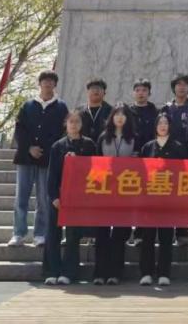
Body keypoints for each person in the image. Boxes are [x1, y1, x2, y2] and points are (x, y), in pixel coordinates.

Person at [9, 70, 68, 248]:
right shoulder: (28, 105)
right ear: (39, 84)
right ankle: (18, 233)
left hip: (48, 159)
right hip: (26, 158)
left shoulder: (61, 107)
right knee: (21, 197)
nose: (47, 84)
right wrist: (29, 147)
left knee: (44, 199)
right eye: (44, 81)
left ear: (55, 85)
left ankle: (40, 234)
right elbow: (20, 129)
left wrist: (48, 150)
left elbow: (62, 133)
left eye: (51, 81)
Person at [45, 111, 97, 285]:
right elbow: (52, 174)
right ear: (65, 124)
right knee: (53, 233)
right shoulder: (58, 146)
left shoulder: (89, 145)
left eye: (77, 122)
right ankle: (52, 271)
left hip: (78, 197)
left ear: (82, 125)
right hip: (59, 196)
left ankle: (69, 272)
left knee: (73, 235)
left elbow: (93, 170)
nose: (74, 125)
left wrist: (78, 161)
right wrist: (54, 196)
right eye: (71, 122)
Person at [138, 113, 186, 286]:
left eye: (166, 123)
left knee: (166, 237)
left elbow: (182, 172)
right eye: (160, 123)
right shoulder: (148, 147)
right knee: (148, 237)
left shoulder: (177, 147)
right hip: (150, 199)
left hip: (168, 199)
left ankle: (164, 273)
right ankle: (146, 272)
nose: (163, 126)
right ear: (155, 126)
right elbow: (140, 172)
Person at [93, 105, 137, 285]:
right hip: (104, 190)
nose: (120, 117)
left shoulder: (133, 138)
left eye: (123, 115)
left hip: (125, 191)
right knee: (102, 233)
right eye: (116, 114)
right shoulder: (103, 138)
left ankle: (115, 272)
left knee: (119, 234)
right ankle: (99, 272)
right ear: (111, 117)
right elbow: (95, 163)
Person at [164, 73, 188, 246]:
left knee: (184, 196)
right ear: (174, 88)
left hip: (187, 158)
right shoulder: (166, 109)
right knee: (167, 195)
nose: (181, 87)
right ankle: (166, 231)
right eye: (178, 84)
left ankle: (182, 231)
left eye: (185, 85)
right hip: (168, 158)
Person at [78, 78, 113, 143]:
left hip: (104, 146)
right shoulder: (78, 111)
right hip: (82, 147)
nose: (96, 90)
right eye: (93, 88)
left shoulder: (111, 111)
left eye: (99, 88)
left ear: (104, 93)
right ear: (87, 92)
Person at [128, 78, 159, 151]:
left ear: (149, 93)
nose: (140, 93)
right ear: (133, 93)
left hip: (151, 151)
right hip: (132, 152)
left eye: (144, 90)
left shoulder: (156, 112)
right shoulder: (127, 112)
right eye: (137, 90)